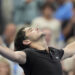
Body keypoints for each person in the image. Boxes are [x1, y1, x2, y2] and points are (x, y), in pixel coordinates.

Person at [0, 27, 75, 75]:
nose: (36, 28)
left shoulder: (54, 52)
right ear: (27, 41)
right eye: (31, 30)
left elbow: (69, 49)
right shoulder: (29, 54)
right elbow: (14, 56)